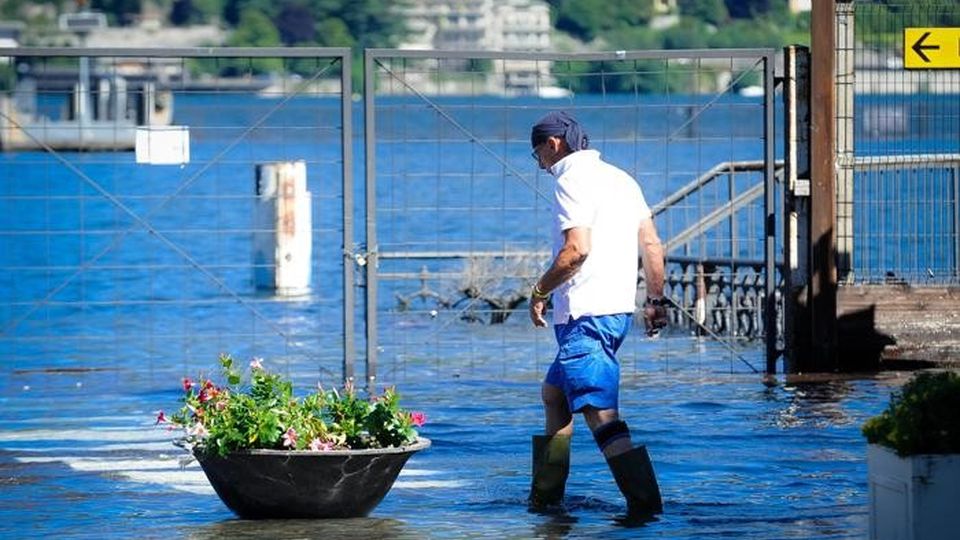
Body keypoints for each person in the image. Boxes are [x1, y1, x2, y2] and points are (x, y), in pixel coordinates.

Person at [527, 110, 668, 518]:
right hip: (614, 312)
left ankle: (646, 510)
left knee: (600, 413)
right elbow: (653, 245)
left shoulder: (570, 179)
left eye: (537, 154)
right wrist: (655, 301)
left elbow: (576, 251)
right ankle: (545, 502)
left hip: (584, 315)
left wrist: (539, 291)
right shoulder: (622, 179)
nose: (539, 164)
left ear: (553, 145)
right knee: (555, 394)